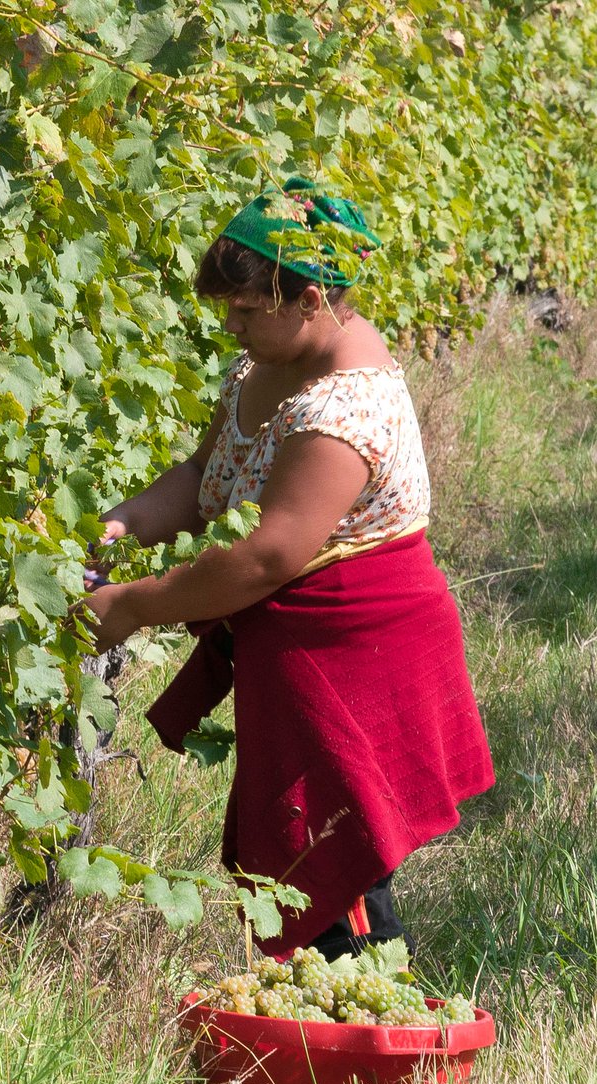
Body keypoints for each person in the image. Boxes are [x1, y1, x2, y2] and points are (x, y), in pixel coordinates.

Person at [84, 176, 494, 960]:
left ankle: (379, 1045)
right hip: (305, 652)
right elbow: (207, 475)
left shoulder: (344, 409)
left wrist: (134, 604)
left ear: (311, 300)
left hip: (358, 656)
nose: (231, 325)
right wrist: (124, 522)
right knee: (311, 858)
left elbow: (267, 554)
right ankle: (334, 1038)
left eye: (247, 309)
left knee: (337, 865)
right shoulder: (265, 363)